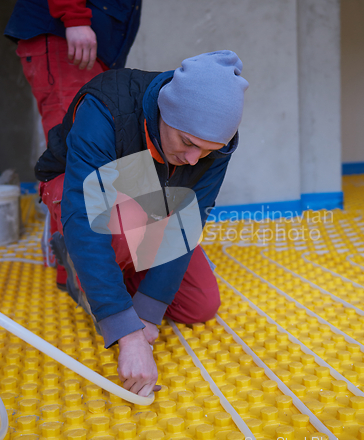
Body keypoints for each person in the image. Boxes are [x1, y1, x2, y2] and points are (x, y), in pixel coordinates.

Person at [34, 50, 249, 397]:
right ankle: (74, 254)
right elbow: (88, 215)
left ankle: (113, 272)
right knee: (114, 224)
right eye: (188, 143)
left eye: (207, 150)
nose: (195, 158)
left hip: (145, 194)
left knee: (200, 304)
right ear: (165, 112)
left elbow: (187, 222)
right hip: (75, 190)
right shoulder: (106, 108)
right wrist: (127, 333)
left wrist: (148, 315)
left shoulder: (216, 148)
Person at [4, 0, 144, 288]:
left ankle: (76, 273)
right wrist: (74, 18)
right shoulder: (74, 22)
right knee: (74, 161)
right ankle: (87, 280)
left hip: (87, 45)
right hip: (68, 37)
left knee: (87, 160)